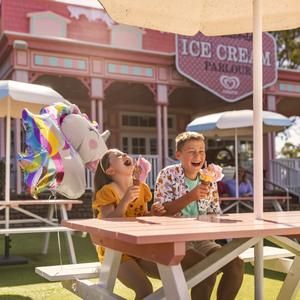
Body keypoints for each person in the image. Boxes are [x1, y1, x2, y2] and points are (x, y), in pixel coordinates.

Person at [154, 132, 244, 300]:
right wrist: (191, 196)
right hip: (175, 240)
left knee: (236, 264)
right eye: (192, 151)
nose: (198, 156)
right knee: (205, 268)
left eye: (201, 151)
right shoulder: (167, 175)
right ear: (178, 155)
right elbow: (161, 212)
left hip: (202, 240)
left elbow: (214, 213)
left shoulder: (209, 178)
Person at [92, 149, 165, 299]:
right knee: (145, 288)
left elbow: (142, 217)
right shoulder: (108, 192)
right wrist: (124, 201)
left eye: (124, 153)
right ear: (110, 170)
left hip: (138, 248)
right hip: (115, 252)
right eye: (118, 156)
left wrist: (153, 214)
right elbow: (108, 222)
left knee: (172, 278)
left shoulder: (142, 189)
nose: (125, 155)